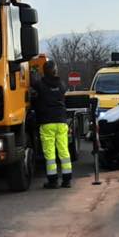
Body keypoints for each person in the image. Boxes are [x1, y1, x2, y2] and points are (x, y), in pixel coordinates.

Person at [31, 60, 72, 188]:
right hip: (61, 121)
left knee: (49, 153)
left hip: (47, 122)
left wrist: (32, 72)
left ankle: (53, 181)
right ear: (56, 71)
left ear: (44, 71)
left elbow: (32, 83)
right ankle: (67, 180)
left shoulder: (40, 85)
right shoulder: (61, 85)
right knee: (64, 151)